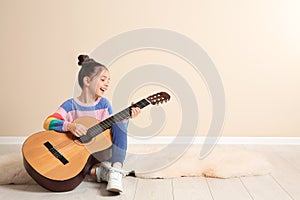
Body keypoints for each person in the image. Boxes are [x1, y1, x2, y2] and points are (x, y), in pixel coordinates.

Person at [43, 54, 141, 193]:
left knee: (118, 123)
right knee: (69, 167)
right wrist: (70, 126)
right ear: (87, 81)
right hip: (77, 154)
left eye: (108, 80)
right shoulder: (70, 105)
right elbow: (48, 122)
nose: (107, 84)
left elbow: (109, 134)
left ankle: (115, 171)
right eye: (103, 79)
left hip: (98, 151)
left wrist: (125, 120)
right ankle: (99, 172)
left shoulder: (104, 104)